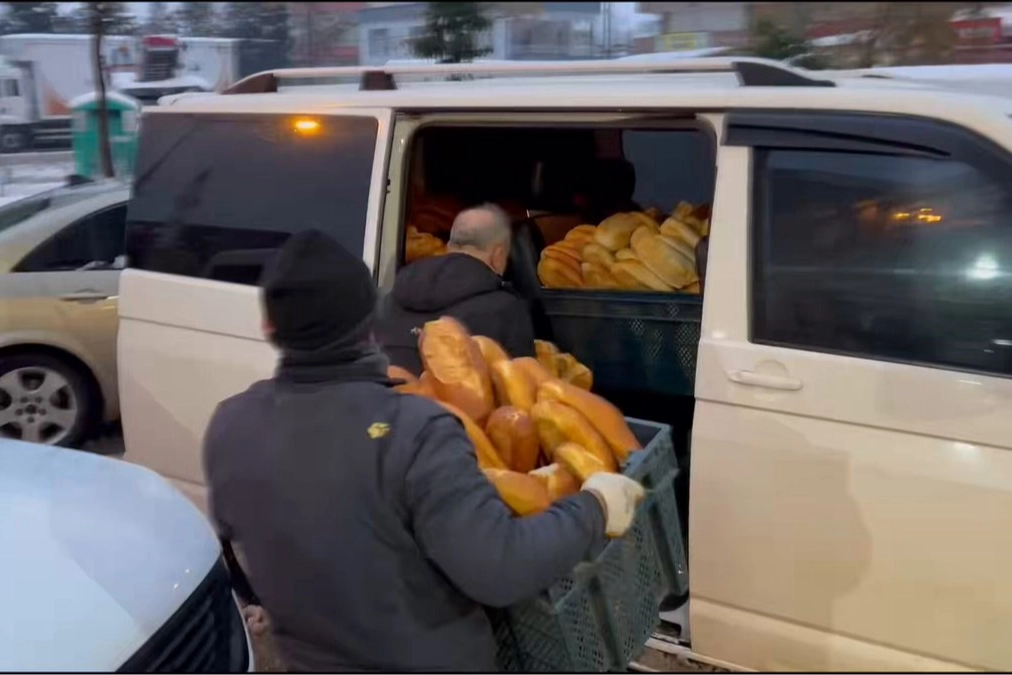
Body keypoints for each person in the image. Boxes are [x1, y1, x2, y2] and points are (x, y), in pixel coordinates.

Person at [203, 229, 646, 672]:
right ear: (370, 320)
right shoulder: (415, 430)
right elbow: (501, 568)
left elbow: (243, 540)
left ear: (269, 327)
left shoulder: (228, 425)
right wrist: (595, 507)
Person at [375, 203, 536, 375]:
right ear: (498, 255)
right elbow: (524, 387)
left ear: (449, 245)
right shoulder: (507, 310)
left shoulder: (391, 300)